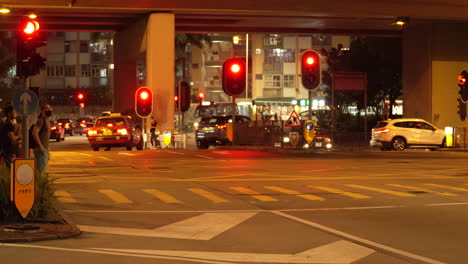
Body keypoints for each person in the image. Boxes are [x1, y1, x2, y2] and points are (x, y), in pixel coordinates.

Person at [33, 104, 52, 173]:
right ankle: (38, 183)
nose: (49, 110)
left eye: (50, 108)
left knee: (42, 170)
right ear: (42, 110)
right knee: (40, 171)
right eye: (47, 108)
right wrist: (41, 146)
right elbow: (34, 133)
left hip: (44, 149)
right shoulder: (41, 120)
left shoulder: (47, 120)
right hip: (41, 150)